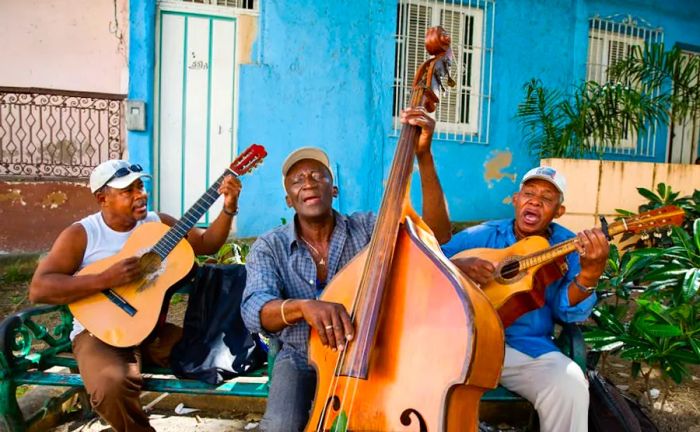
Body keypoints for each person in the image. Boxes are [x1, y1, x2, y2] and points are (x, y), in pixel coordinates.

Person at [241, 107, 452, 432]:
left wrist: (423, 156)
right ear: (288, 200)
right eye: (297, 180)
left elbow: (437, 234)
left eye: (317, 176)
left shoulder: (369, 228)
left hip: (370, 353)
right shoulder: (269, 246)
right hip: (299, 356)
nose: (307, 183)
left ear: (333, 190)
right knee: (279, 426)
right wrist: (302, 308)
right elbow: (254, 310)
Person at [29, 160, 241, 432]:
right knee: (111, 385)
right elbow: (39, 288)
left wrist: (228, 206)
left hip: (151, 331)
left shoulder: (159, 224)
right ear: (102, 198)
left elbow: (206, 243)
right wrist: (105, 279)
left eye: (140, 186)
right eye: (127, 191)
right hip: (100, 334)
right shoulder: (83, 234)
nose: (140, 194)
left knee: (223, 354)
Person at [441, 166, 609, 432]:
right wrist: (461, 266)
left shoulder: (571, 246)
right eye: (529, 193)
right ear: (516, 199)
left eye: (547, 198)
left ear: (558, 212)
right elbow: (431, 258)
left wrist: (590, 275)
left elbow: (568, 313)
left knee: (570, 384)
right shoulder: (484, 234)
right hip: (464, 342)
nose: (535, 201)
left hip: (524, 348)